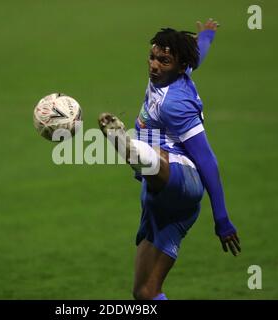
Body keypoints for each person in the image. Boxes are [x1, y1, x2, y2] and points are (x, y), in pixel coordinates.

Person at [98, 19, 240, 300]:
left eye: (163, 61)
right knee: (145, 292)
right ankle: (131, 148)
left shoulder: (175, 104)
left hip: (181, 178)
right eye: (152, 57)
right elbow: (198, 52)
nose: (154, 65)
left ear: (178, 65)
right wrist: (207, 34)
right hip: (166, 207)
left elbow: (207, 160)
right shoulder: (171, 72)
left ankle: (125, 145)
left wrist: (222, 219)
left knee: (152, 155)